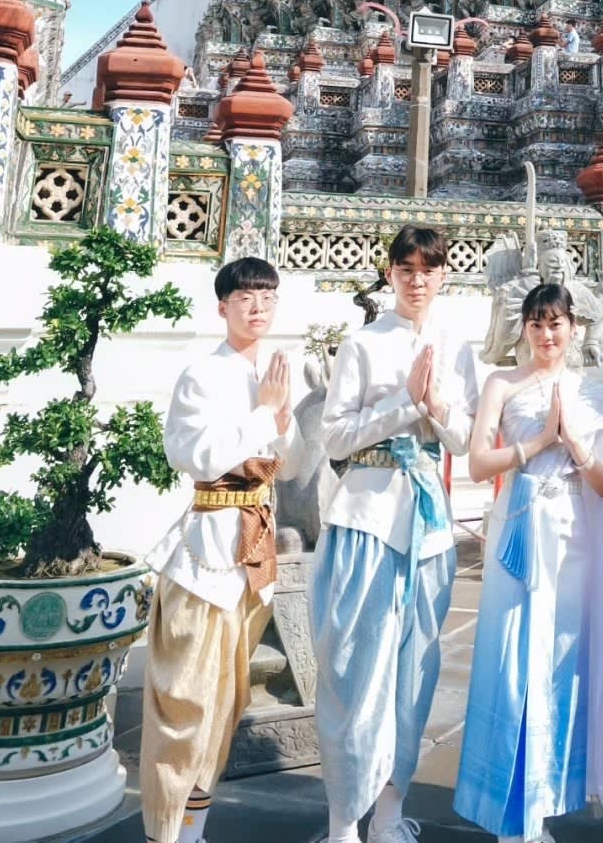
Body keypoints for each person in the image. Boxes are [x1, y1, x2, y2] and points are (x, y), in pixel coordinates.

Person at [454, 282, 603, 843]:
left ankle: (547, 800)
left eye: (556, 323)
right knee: (513, 659)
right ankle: (513, 814)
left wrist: (575, 443)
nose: (546, 334)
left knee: (562, 660)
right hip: (521, 530)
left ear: (574, 328)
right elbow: (478, 463)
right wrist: (538, 442)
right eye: (536, 324)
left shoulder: (593, 394)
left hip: (574, 537)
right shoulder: (502, 384)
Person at [312, 226, 479, 843]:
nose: (416, 281)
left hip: (427, 530)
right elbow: (334, 438)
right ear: (389, 274)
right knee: (353, 672)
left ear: (443, 276)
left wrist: (434, 405)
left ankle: (388, 812)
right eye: (405, 269)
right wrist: (405, 405)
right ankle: (342, 821)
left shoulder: (456, 348)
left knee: (414, 674)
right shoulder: (363, 344)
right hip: (366, 521)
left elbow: (465, 440)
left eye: (428, 270)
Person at [140, 257, 306, 843]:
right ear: (223, 307)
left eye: (267, 297)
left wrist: (282, 415)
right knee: (185, 705)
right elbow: (197, 457)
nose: (257, 307)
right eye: (245, 298)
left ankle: (194, 831)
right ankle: (164, 833)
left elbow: (294, 465)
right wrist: (263, 411)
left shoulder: (272, 373)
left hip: (252, 555)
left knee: (226, 705)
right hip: (204, 559)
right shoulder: (202, 375)